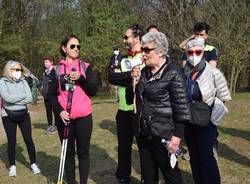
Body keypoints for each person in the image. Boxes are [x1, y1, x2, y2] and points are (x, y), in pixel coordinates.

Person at [126, 31, 191, 184]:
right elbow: (131, 100)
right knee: (148, 177)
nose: (143, 53)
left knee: (171, 176)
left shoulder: (174, 73)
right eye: (142, 49)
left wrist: (177, 136)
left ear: (161, 52)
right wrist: (133, 82)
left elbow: (182, 106)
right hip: (145, 134)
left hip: (165, 135)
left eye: (147, 50)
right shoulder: (143, 72)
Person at [49, 35, 98, 184]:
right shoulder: (56, 70)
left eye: (78, 46)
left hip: (84, 117)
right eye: (72, 46)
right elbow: (51, 95)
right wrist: (59, 111)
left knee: (83, 152)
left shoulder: (86, 67)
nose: (76, 49)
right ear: (64, 48)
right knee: (68, 154)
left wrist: (81, 79)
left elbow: (93, 90)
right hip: (65, 118)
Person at [183, 38, 231, 184]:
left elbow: (223, 96)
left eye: (197, 52)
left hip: (206, 122)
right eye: (190, 52)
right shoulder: (183, 73)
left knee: (206, 157)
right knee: (194, 157)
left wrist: (212, 118)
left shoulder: (213, 72)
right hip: (188, 121)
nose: (194, 55)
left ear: (203, 52)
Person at [108, 23, 145, 184]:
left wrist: (125, 78)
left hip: (141, 111)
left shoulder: (147, 56)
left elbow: (145, 81)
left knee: (144, 148)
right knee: (124, 147)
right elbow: (111, 77)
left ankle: (148, 177)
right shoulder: (121, 59)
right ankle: (123, 176)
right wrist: (130, 76)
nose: (123, 40)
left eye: (126, 37)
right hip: (123, 110)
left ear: (136, 38)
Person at [0, 60, 41, 177]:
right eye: (16, 70)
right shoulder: (2, 82)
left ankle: (33, 163)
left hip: (23, 114)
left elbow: (29, 98)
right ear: (9, 70)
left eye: (20, 70)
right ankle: (12, 166)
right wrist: (21, 97)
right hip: (8, 115)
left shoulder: (23, 81)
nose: (19, 72)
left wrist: (14, 99)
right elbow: (7, 98)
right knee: (11, 141)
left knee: (28, 139)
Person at [41, 57, 57, 134]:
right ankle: (50, 125)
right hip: (46, 95)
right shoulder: (45, 72)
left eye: (47, 62)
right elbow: (44, 82)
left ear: (51, 62)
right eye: (44, 62)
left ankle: (57, 126)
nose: (45, 64)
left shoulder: (55, 71)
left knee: (55, 111)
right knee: (48, 111)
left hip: (54, 95)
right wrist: (42, 88)